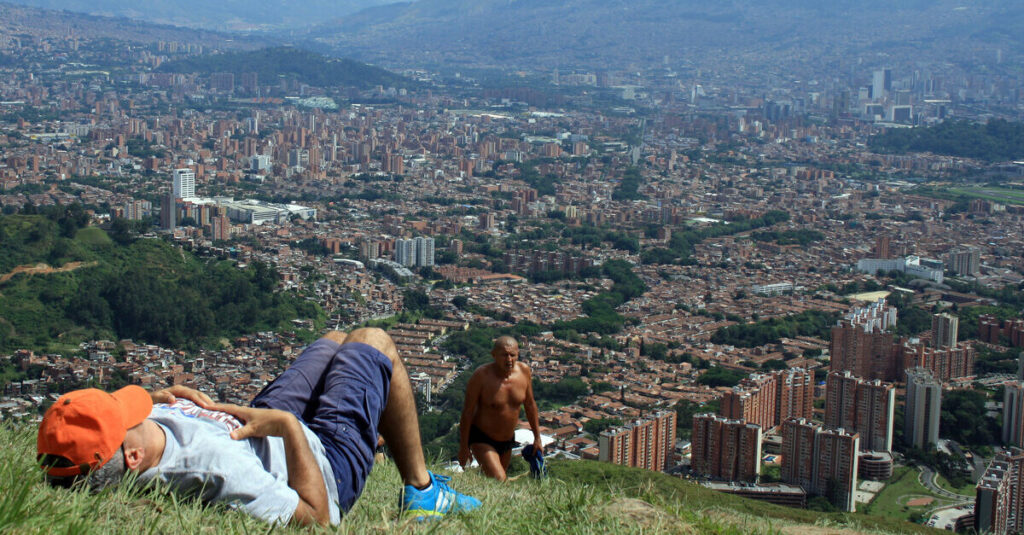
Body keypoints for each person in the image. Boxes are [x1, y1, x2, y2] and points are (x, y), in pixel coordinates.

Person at [37, 328, 480, 526]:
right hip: (320, 457)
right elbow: (319, 518)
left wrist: (155, 400)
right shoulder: (217, 467)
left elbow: (93, 441)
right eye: (126, 415)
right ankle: (422, 492)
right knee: (375, 342)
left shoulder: (127, 446)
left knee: (333, 340)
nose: (137, 408)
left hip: (254, 422)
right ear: (132, 457)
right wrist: (286, 426)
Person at [458, 335, 542, 481]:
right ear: (494, 355)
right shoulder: (481, 376)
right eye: (504, 355)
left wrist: (537, 438)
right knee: (500, 480)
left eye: (512, 355)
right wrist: (464, 447)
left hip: (507, 440)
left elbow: (530, 405)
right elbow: (467, 413)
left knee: (495, 483)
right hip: (482, 438)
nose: (509, 359)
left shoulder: (524, 372)